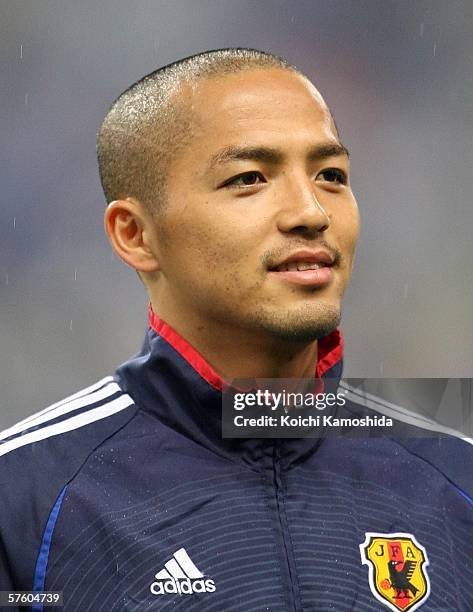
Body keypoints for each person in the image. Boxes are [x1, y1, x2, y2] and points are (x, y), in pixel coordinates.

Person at [0, 48, 471, 612]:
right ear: (135, 235)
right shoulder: (24, 498)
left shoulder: (454, 471)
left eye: (331, 175)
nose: (311, 211)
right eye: (249, 178)